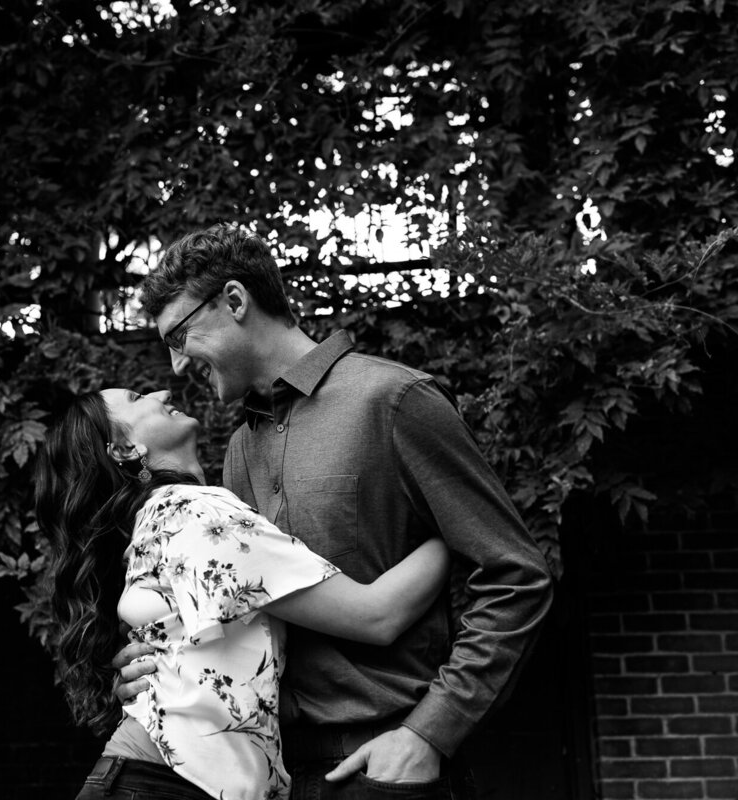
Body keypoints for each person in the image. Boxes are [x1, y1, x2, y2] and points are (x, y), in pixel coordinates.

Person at [113, 223, 554, 799]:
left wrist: (429, 732)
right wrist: (155, 658)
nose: (175, 367)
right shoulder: (241, 449)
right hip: (277, 776)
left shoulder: (395, 401)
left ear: (235, 301)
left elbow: (515, 575)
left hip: (383, 770)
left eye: (180, 336)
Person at [34, 387, 451, 800]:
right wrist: (458, 530)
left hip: (157, 778)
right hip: (165, 785)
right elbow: (377, 616)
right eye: (137, 396)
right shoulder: (199, 513)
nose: (161, 390)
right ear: (125, 449)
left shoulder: (161, 518)